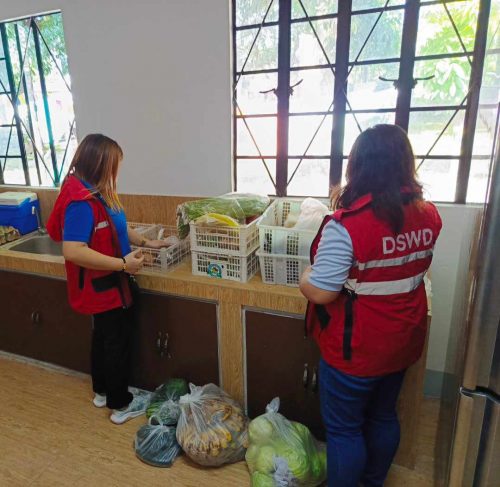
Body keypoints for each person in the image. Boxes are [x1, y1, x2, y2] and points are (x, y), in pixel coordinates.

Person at [300, 124, 442, 487]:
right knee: (382, 416)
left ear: (357, 167)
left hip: (357, 349)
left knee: (344, 430)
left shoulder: (348, 225)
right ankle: (373, 482)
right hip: (403, 339)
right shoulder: (428, 216)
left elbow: (322, 292)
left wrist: (305, 277)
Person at [47, 134, 168, 424]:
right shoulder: (80, 202)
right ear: (99, 164)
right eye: (114, 165)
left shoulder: (96, 191)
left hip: (110, 281)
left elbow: (116, 226)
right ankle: (120, 403)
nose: (117, 172)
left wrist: (147, 242)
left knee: (103, 337)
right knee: (116, 341)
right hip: (104, 285)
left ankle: (102, 391)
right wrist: (122, 264)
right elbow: (73, 250)